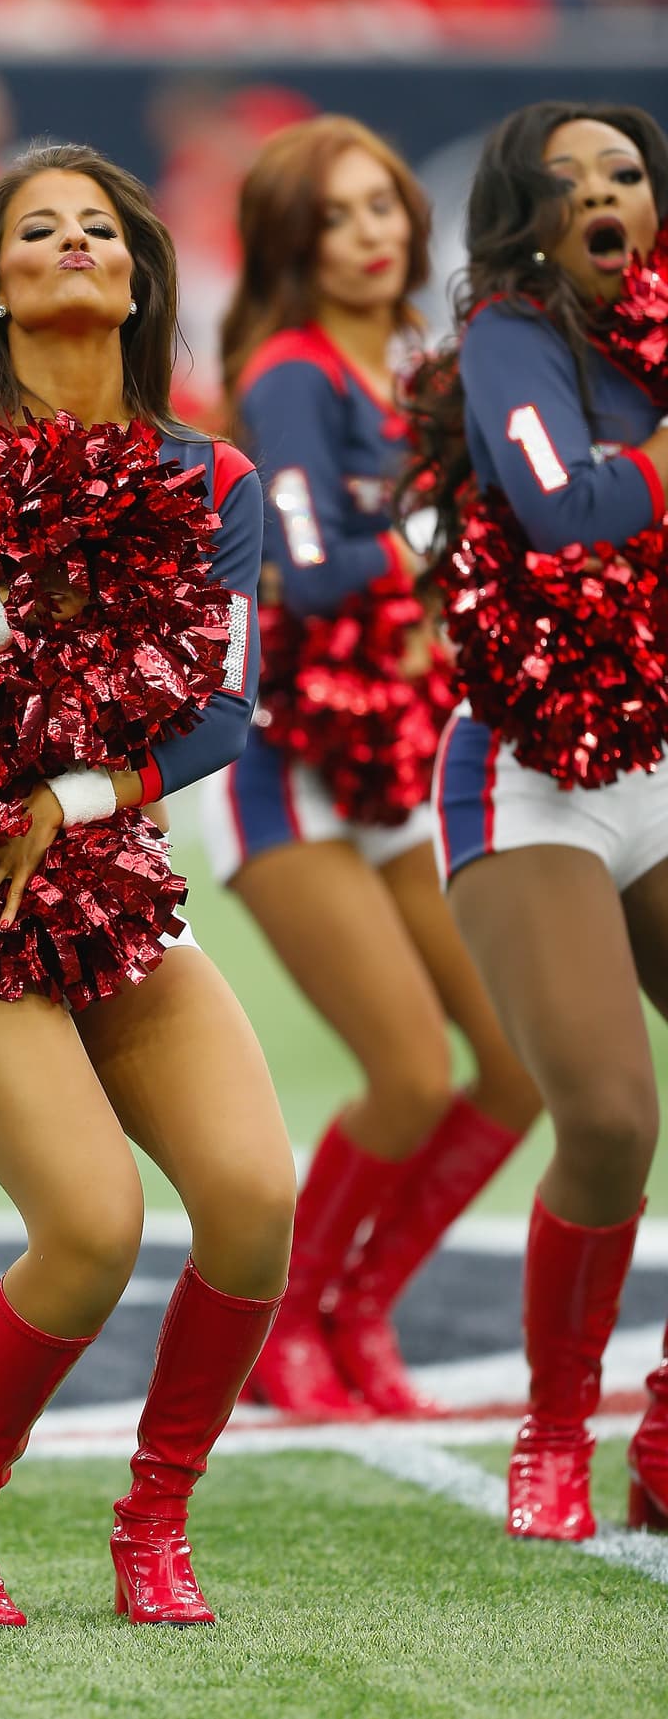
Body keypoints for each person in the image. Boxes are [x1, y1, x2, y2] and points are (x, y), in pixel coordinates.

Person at [0, 143, 295, 1626]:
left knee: (255, 1197)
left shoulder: (209, 478)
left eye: (100, 228)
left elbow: (222, 709)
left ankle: (155, 1524)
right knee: (89, 1228)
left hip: (101, 866)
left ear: (139, 280)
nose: (75, 243)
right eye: (41, 229)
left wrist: (78, 795)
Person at [203, 116, 540, 1419]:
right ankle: (285, 1329)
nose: (372, 234)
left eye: (384, 207)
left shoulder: (416, 364)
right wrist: (439, 532)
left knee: (513, 1065)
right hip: (288, 763)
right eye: (336, 216)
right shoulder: (290, 374)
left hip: (397, 751)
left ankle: (358, 1307)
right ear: (293, 242)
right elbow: (319, 571)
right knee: (407, 1070)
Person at [402, 100, 668, 1537]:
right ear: (527, 218)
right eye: (565, 183)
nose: (600, 197)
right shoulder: (515, 337)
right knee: (614, 1118)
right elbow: (559, 508)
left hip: (667, 753)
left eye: (623, 172)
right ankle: (557, 1428)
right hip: (533, 768)